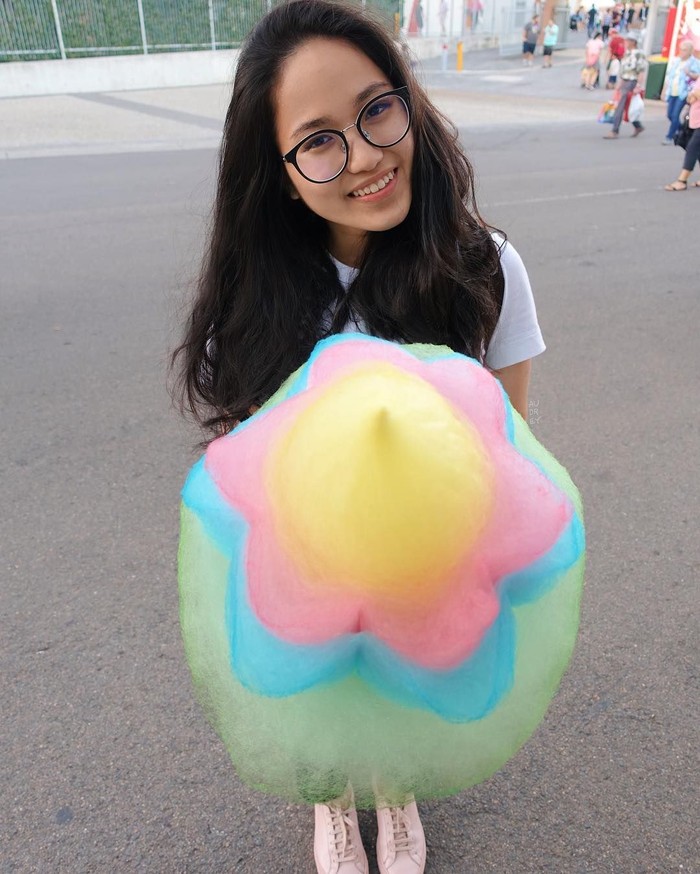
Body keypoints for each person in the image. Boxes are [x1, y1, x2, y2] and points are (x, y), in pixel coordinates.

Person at [173, 2, 546, 872]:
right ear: (281, 170)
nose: (368, 156)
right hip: (303, 564)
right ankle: (335, 802)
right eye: (319, 139)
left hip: (427, 561)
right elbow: (244, 474)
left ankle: (396, 786)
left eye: (378, 109)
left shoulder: (484, 269)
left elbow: (513, 446)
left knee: (402, 698)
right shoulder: (256, 302)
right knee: (317, 700)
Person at [604, 32, 647, 138]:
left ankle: (615, 130)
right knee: (626, 105)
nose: (626, 42)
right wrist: (620, 82)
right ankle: (637, 125)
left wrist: (638, 86)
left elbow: (641, 70)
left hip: (632, 81)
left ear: (633, 42)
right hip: (625, 80)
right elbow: (624, 70)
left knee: (621, 106)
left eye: (628, 40)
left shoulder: (638, 54)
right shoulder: (627, 53)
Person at [661, 40, 700, 145]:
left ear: (690, 51)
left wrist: (689, 73)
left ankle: (669, 136)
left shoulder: (695, 63)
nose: (682, 52)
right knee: (669, 114)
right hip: (673, 91)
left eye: (685, 50)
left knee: (675, 115)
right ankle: (681, 129)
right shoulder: (676, 61)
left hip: (683, 93)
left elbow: (698, 77)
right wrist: (664, 90)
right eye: (681, 49)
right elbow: (669, 76)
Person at [665, 77, 700, 189]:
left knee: (692, 147)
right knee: (696, 147)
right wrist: (691, 95)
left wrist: (694, 94)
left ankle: (682, 180)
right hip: (696, 118)